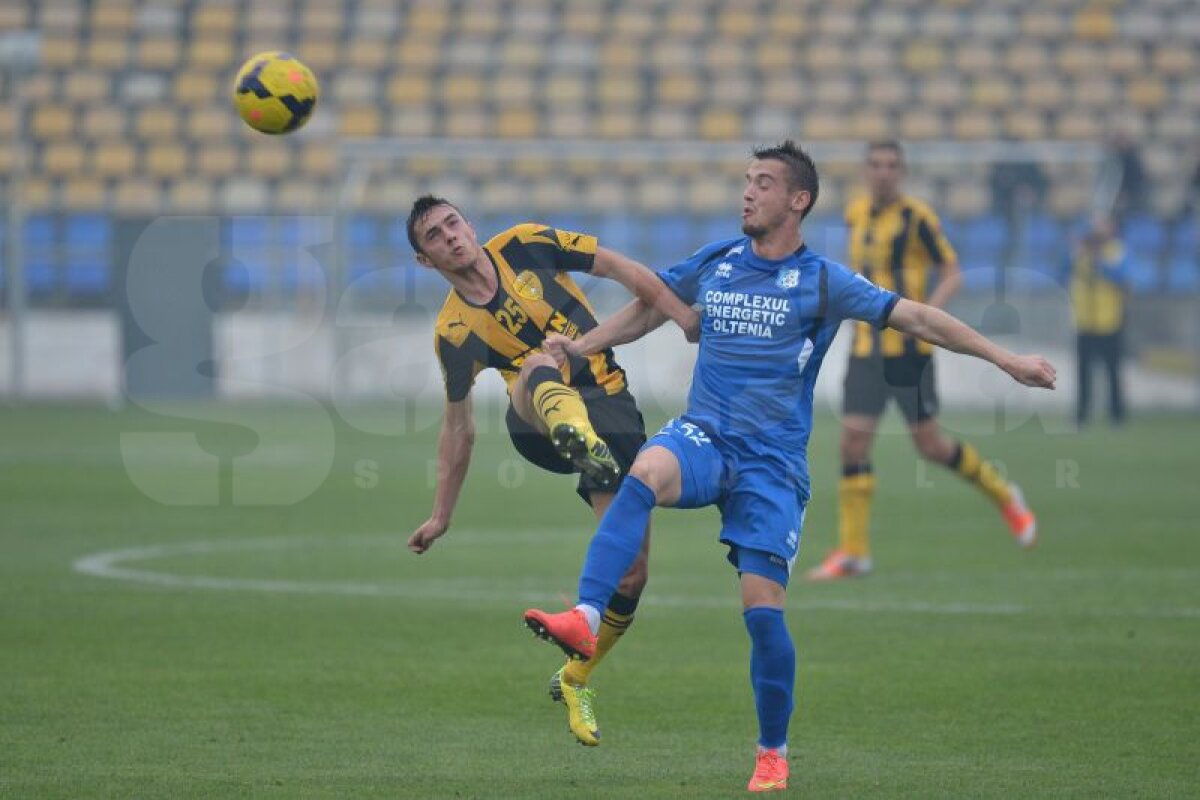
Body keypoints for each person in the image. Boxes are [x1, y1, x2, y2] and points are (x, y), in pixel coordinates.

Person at [521, 142, 1056, 792]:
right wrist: (581, 346)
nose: (748, 192)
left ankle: (772, 752)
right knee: (641, 475)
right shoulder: (717, 261)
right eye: (747, 181)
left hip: (770, 466)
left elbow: (914, 316)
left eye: (764, 183)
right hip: (705, 435)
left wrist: (1006, 360)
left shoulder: (824, 281)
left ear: (798, 200)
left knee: (762, 612)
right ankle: (584, 612)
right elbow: (650, 305)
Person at [404, 195, 696, 746]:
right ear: (426, 261)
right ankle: (577, 437)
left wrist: (681, 317)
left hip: (610, 407)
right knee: (538, 363)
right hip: (536, 421)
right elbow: (458, 427)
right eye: (435, 237)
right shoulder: (454, 333)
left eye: (452, 224)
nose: (450, 237)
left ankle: (576, 676)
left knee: (632, 574)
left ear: (468, 222)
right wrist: (441, 515)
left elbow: (624, 270)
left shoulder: (525, 244)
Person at [808, 140, 1039, 581]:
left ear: (902, 171)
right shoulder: (855, 214)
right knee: (852, 443)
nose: (883, 172)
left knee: (930, 445)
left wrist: (928, 311)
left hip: (909, 352)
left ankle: (1005, 495)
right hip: (864, 349)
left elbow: (951, 269)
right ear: (865, 170)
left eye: (891, 165)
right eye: (875, 164)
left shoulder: (917, 218)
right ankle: (854, 552)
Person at [1068, 213, 1129, 426]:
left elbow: (1122, 276)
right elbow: (1064, 270)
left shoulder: (1117, 251)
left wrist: (1098, 261)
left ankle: (1117, 416)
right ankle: (1081, 415)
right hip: (1085, 322)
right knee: (1083, 374)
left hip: (1109, 321)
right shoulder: (1080, 252)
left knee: (1113, 373)